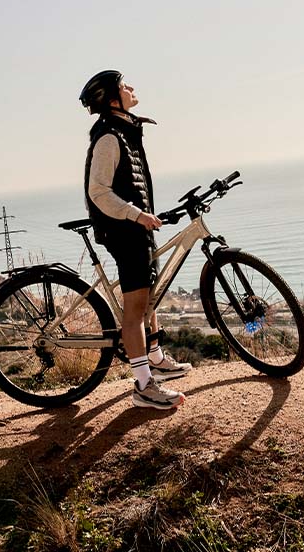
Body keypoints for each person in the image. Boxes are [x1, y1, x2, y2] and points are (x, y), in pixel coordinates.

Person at [79, 70, 192, 409]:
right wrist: (136, 215)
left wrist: (142, 217)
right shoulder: (109, 138)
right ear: (113, 98)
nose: (131, 87)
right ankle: (143, 386)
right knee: (135, 308)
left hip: (135, 228)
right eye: (124, 85)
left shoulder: (125, 131)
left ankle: (154, 357)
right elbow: (98, 191)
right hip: (123, 230)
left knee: (149, 295)